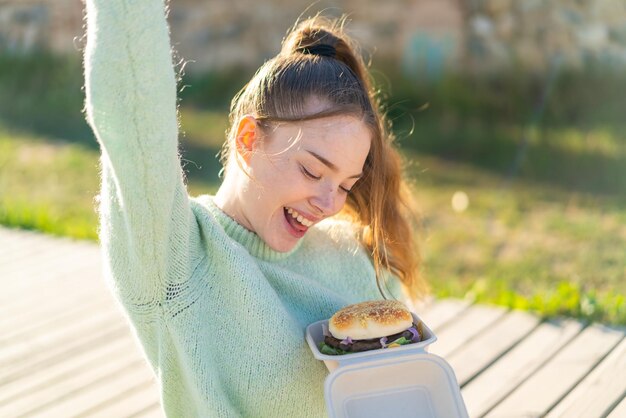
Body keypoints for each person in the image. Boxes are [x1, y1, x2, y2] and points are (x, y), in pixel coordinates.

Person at [83, 0, 427, 416]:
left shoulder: (354, 257)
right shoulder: (175, 259)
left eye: (345, 185)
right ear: (248, 140)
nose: (328, 203)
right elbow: (131, 112)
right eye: (312, 170)